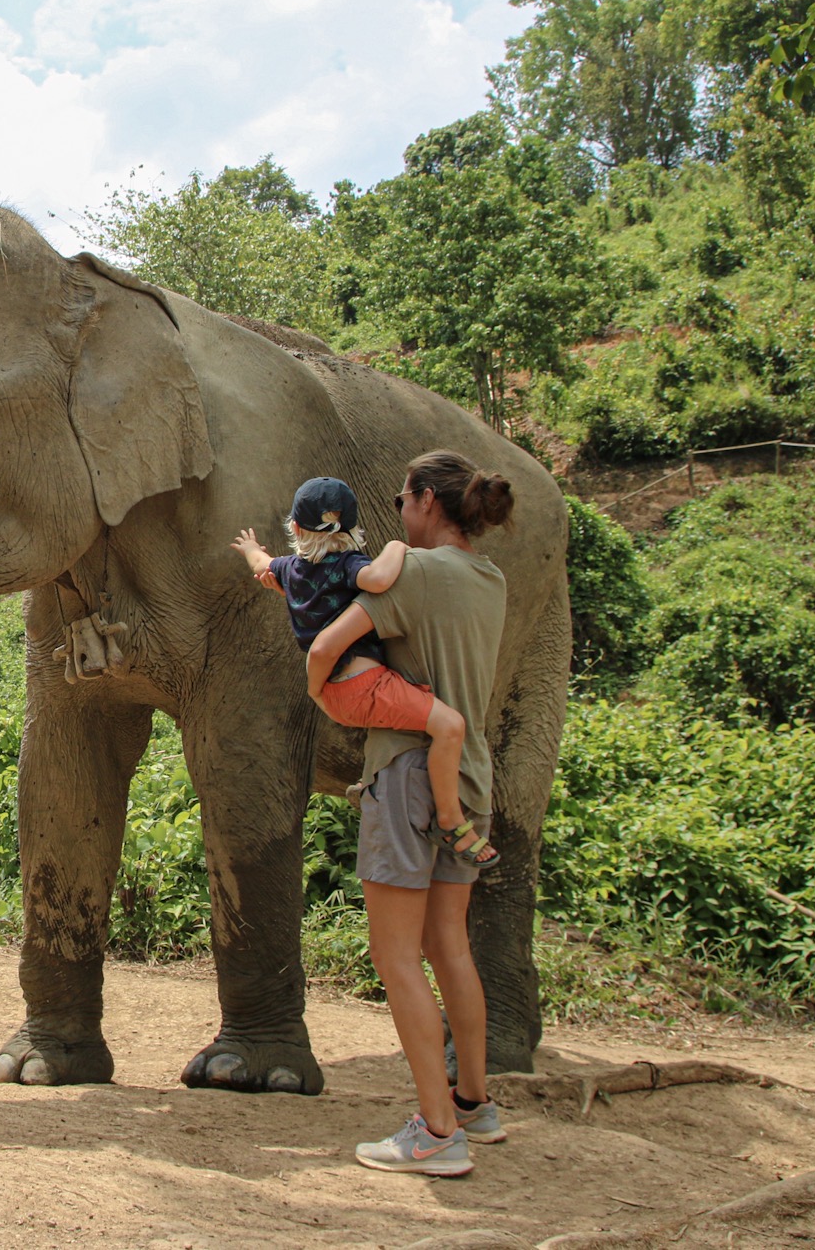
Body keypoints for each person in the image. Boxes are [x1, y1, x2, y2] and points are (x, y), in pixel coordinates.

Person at [303, 451, 515, 1177]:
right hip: (470, 777)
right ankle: (473, 1104)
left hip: (404, 776)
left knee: (395, 957)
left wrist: (320, 690)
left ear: (428, 499)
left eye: (403, 499)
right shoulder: (490, 578)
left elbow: (328, 643)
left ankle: (434, 1132)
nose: (399, 509)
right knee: (448, 944)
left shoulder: (414, 575)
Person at [230, 476, 495, 868]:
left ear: (297, 529)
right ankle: (451, 820)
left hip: (337, 694)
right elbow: (379, 579)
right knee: (451, 726)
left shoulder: (289, 570)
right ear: (353, 527)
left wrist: (252, 548)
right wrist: (397, 546)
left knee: (406, 716)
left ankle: (369, 783)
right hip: (364, 686)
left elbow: (261, 565)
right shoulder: (352, 565)